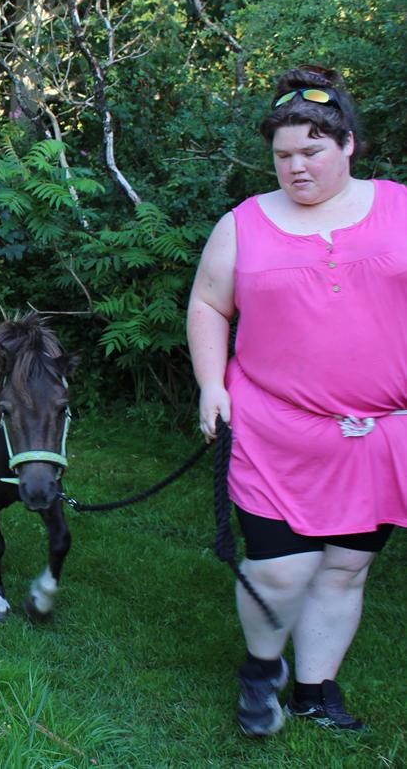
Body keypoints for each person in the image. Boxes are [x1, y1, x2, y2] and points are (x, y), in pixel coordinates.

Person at [186, 66, 407, 737]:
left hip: (377, 436)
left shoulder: (400, 208)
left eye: (311, 151)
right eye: (283, 155)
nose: (295, 167)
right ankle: (261, 672)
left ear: (348, 146)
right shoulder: (243, 224)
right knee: (279, 571)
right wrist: (211, 384)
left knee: (344, 569)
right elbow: (206, 303)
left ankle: (314, 690)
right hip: (274, 431)